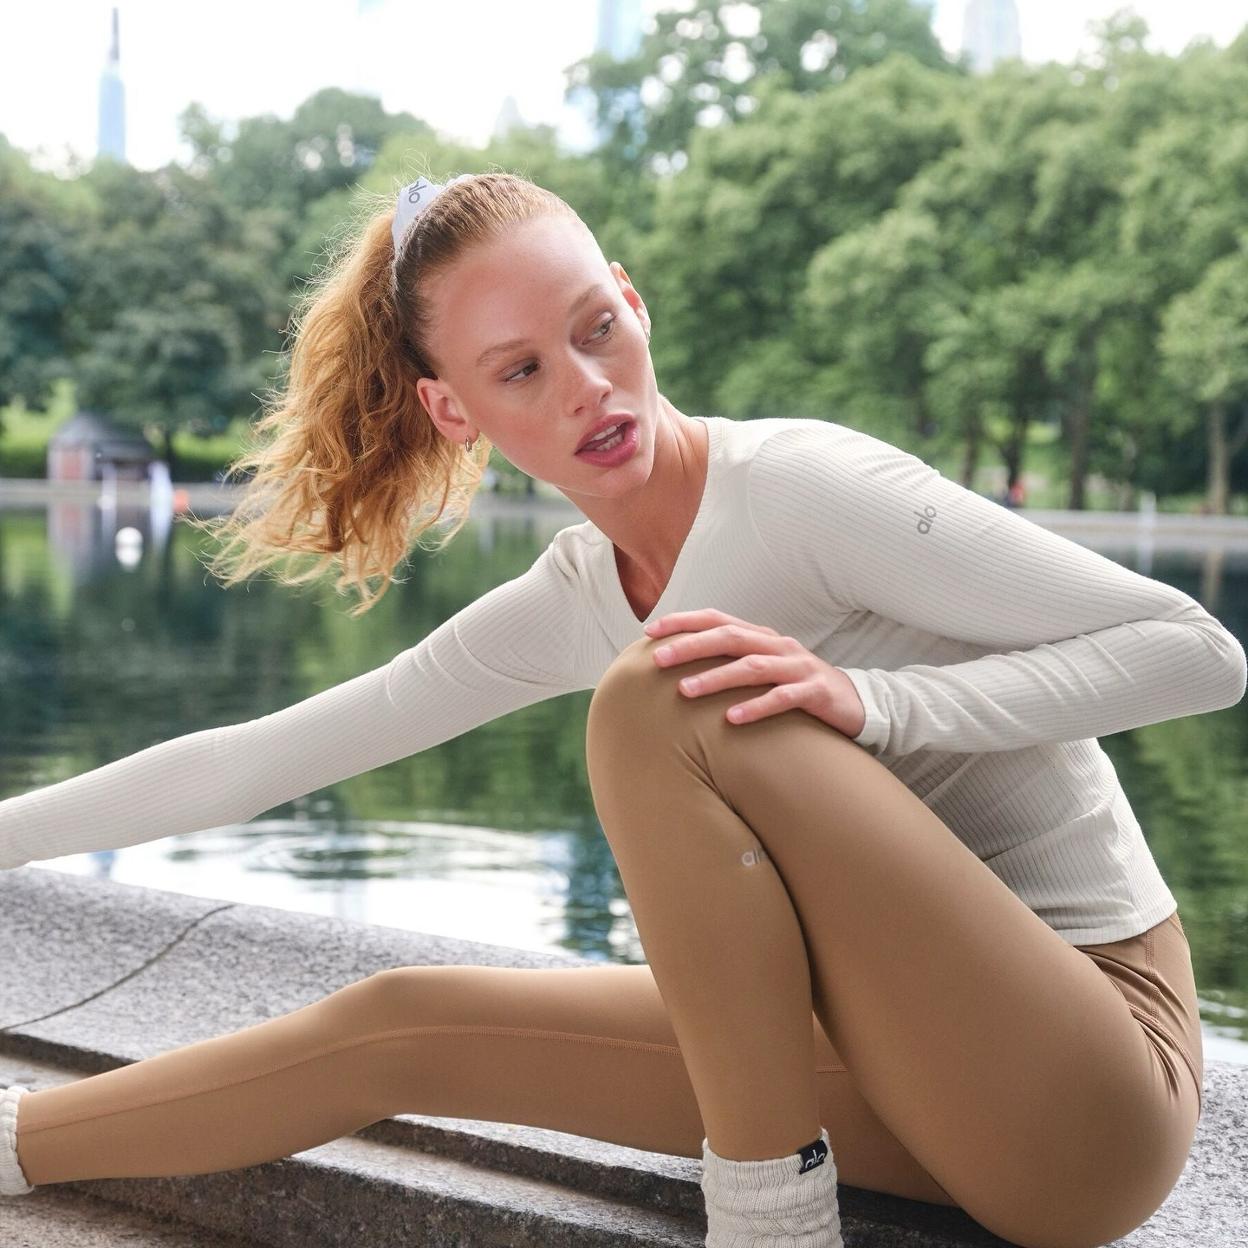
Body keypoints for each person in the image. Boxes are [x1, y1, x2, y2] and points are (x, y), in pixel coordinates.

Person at [1, 170, 1243, 1248]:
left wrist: (873, 703)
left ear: (635, 301)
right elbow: (258, 762)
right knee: (399, 1023)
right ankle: (16, 1143)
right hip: (910, 1077)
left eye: (600, 329)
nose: (589, 388)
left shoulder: (803, 494)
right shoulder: (579, 596)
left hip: (1096, 1079)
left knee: (662, 698)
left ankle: (767, 1220)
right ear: (455, 409)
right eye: (523, 370)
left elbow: (1194, 650)